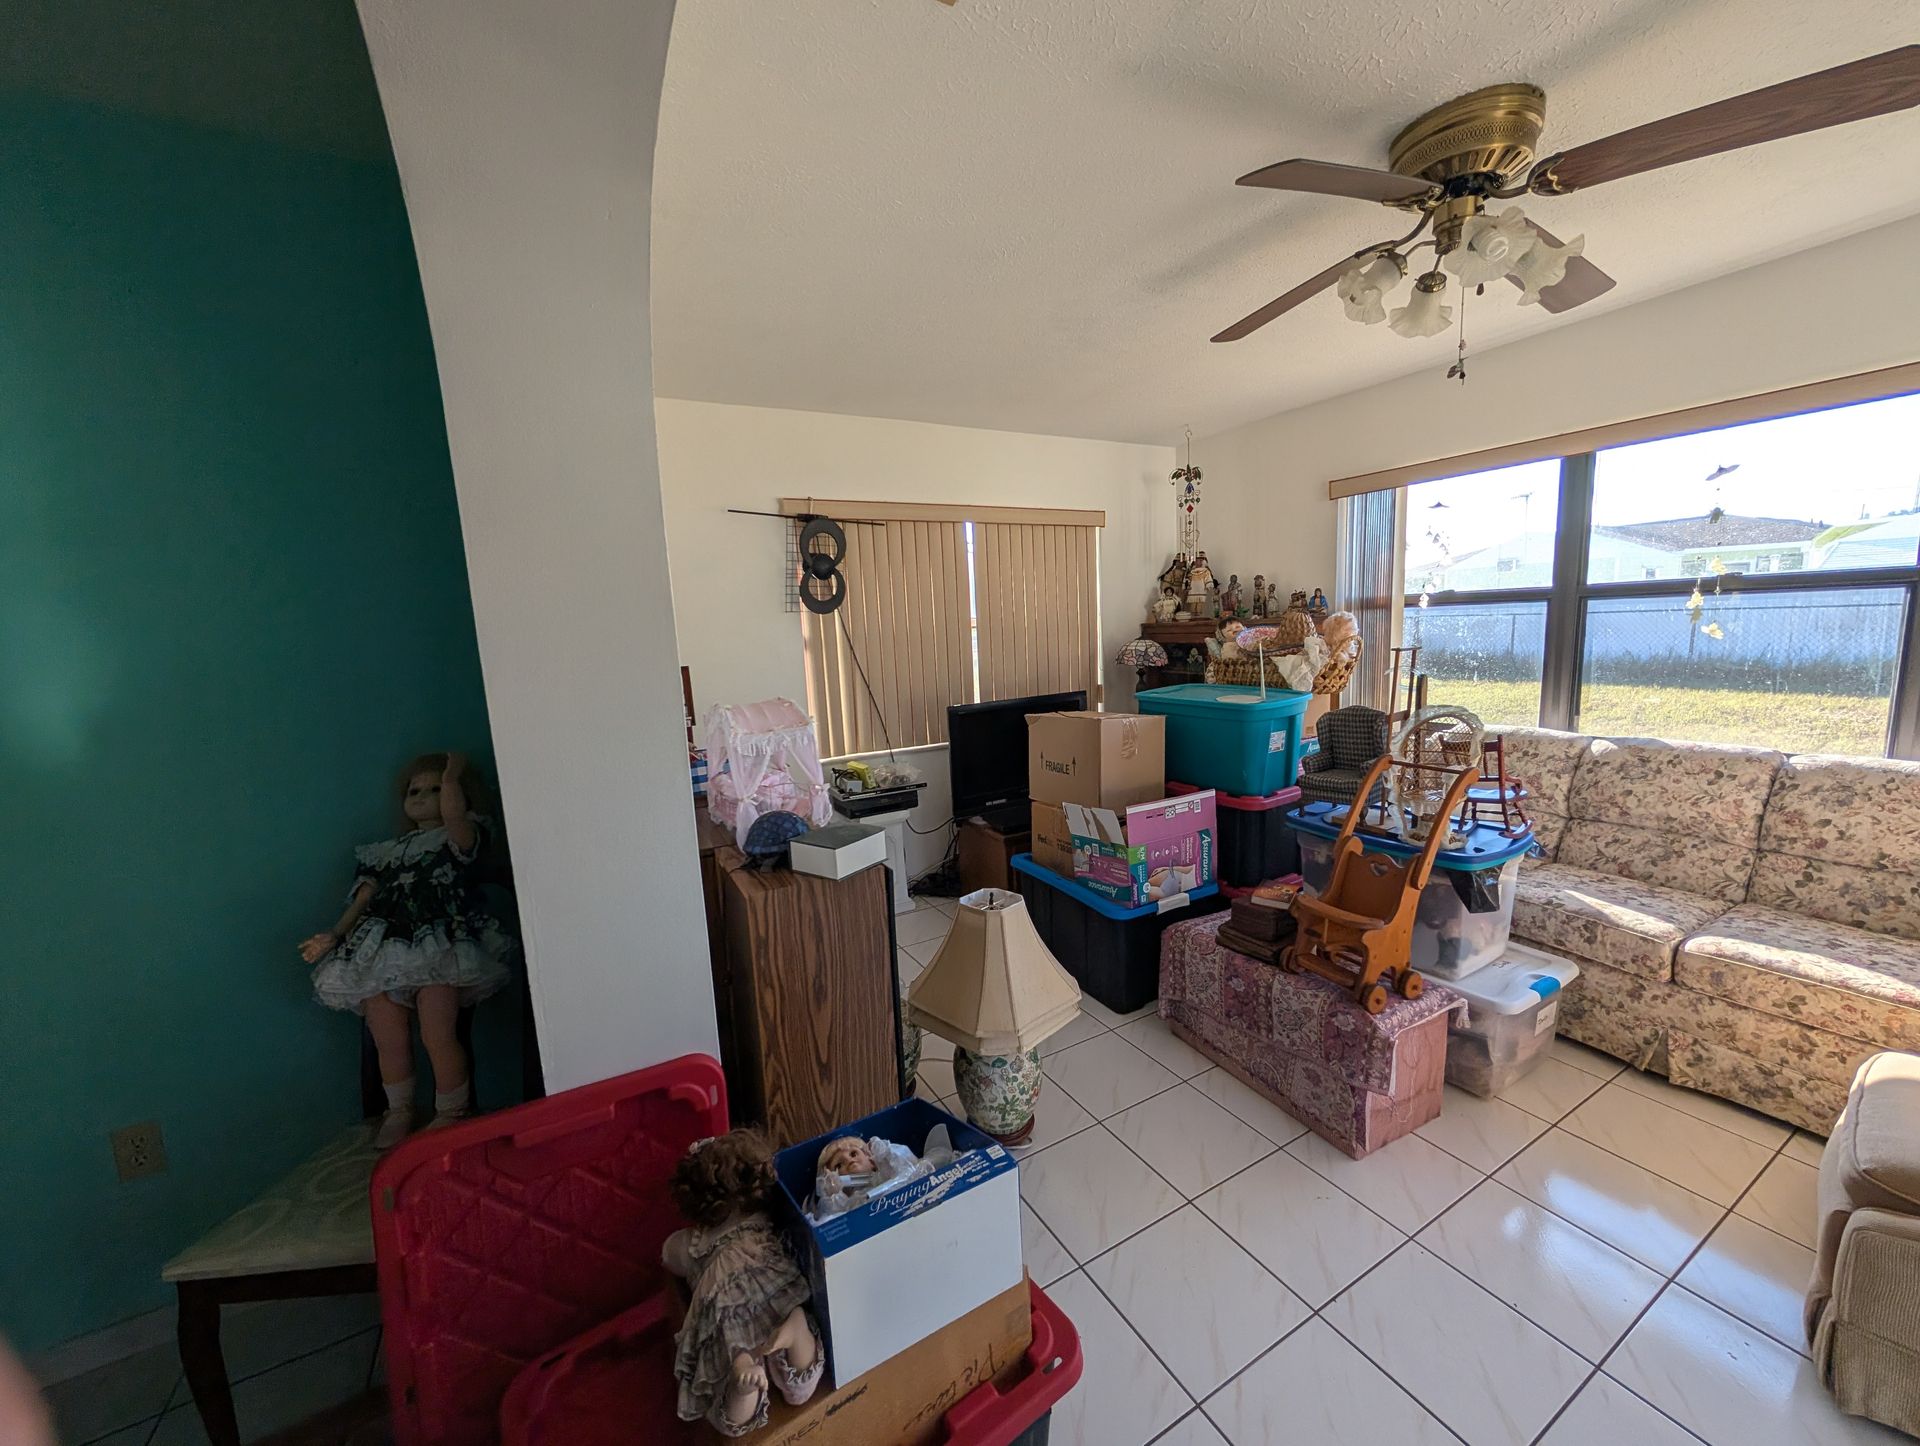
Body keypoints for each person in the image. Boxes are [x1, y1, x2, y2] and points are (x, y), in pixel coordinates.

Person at [299, 751, 513, 1147]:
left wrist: (452, 779)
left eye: (435, 789)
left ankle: (452, 1110)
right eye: (414, 790)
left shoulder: (457, 835)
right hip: (382, 947)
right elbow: (363, 898)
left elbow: (456, 822)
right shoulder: (384, 852)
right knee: (388, 1035)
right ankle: (399, 1109)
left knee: (438, 1032)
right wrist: (334, 934)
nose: (422, 796)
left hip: (438, 943)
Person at [663, 1130, 824, 1436]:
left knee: (730, 1420)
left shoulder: (694, 1242)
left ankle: (742, 1374)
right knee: (801, 1389)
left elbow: (668, 1256)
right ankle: (798, 1329)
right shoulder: (764, 1217)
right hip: (777, 1298)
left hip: (729, 1322)